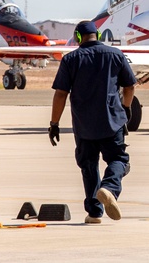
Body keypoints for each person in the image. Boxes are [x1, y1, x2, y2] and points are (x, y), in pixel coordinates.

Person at [48, 20, 137, 224]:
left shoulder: (71, 59)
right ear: (97, 35)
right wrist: (126, 108)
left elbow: (61, 94)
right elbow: (130, 86)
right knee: (119, 160)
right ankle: (109, 188)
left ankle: (95, 213)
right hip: (112, 122)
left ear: (78, 37)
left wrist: (54, 123)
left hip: (84, 125)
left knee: (88, 166)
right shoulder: (115, 55)